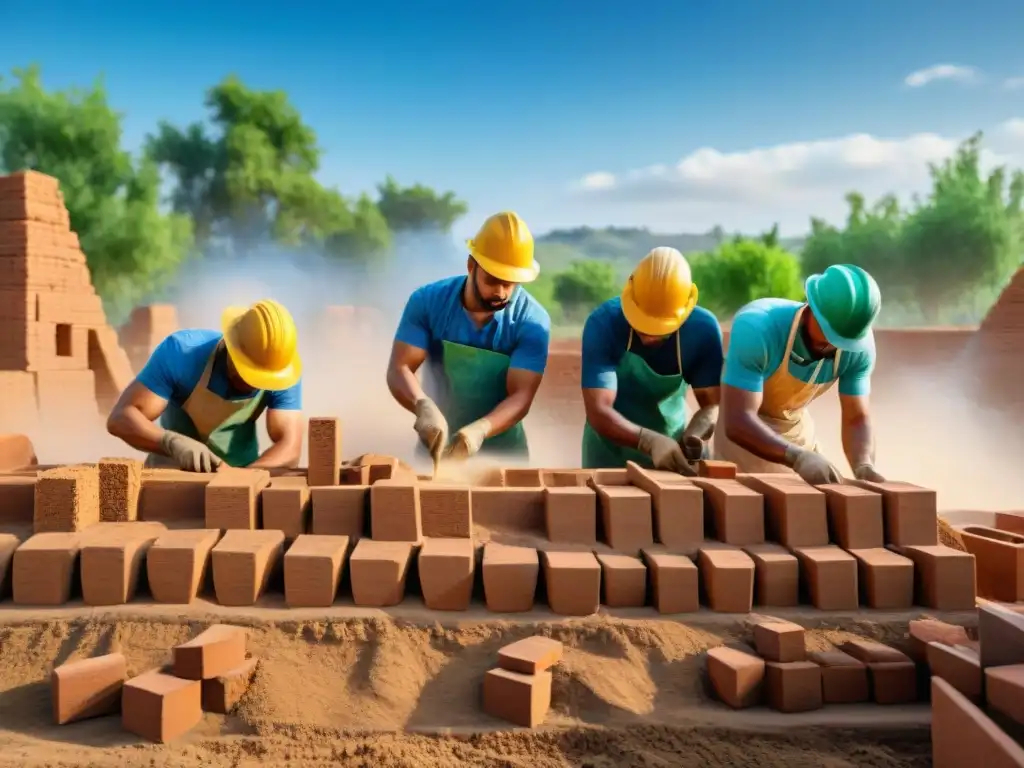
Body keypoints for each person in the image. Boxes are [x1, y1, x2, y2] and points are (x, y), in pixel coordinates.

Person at [386, 211, 551, 464]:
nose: (501, 292)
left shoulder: (532, 320)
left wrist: (481, 430)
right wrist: (422, 406)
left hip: (503, 455)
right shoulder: (428, 302)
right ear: (471, 265)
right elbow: (401, 367)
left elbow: (521, 395)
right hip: (434, 448)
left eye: (511, 283)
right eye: (493, 279)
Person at [715, 263, 886, 485]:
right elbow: (738, 419)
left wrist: (863, 465)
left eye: (842, 339)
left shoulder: (857, 347)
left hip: (796, 432)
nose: (833, 345)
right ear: (811, 307)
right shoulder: (758, 328)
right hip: (743, 442)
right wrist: (796, 457)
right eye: (829, 333)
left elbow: (856, 417)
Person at [107, 299, 304, 472]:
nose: (257, 384)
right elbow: (121, 417)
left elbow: (290, 446)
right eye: (252, 374)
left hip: (244, 470)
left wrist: (245, 480)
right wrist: (172, 443)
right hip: (173, 475)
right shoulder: (181, 354)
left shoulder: (280, 370)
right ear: (232, 349)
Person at [580, 247, 724, 472]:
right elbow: (598, 410)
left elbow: (712, 402)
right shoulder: (604, 323)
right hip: (608, 451)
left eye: (661, 329)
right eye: (642, 324)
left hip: (673, 449)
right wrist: (648, 442)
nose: (648, 337)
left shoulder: (702, 331)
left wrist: (697, 432)